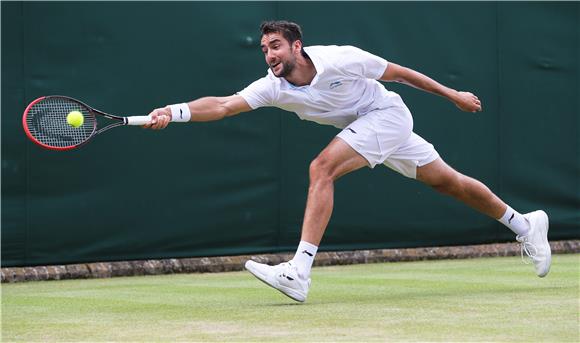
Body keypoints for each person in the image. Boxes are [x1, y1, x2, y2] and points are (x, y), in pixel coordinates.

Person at [144, 20, 551, 302]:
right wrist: (174, 111)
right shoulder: (273, 87)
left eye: (276, 46)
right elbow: (223, 105)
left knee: (321, 168)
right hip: (371, 128)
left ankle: (298, 271)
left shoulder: (341, 58)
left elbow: (400, 74)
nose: (268, 54)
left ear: (296, 46)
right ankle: (525, 223)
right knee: (449, 182)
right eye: (265, 48)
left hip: (387, 115)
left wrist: (454, 96)